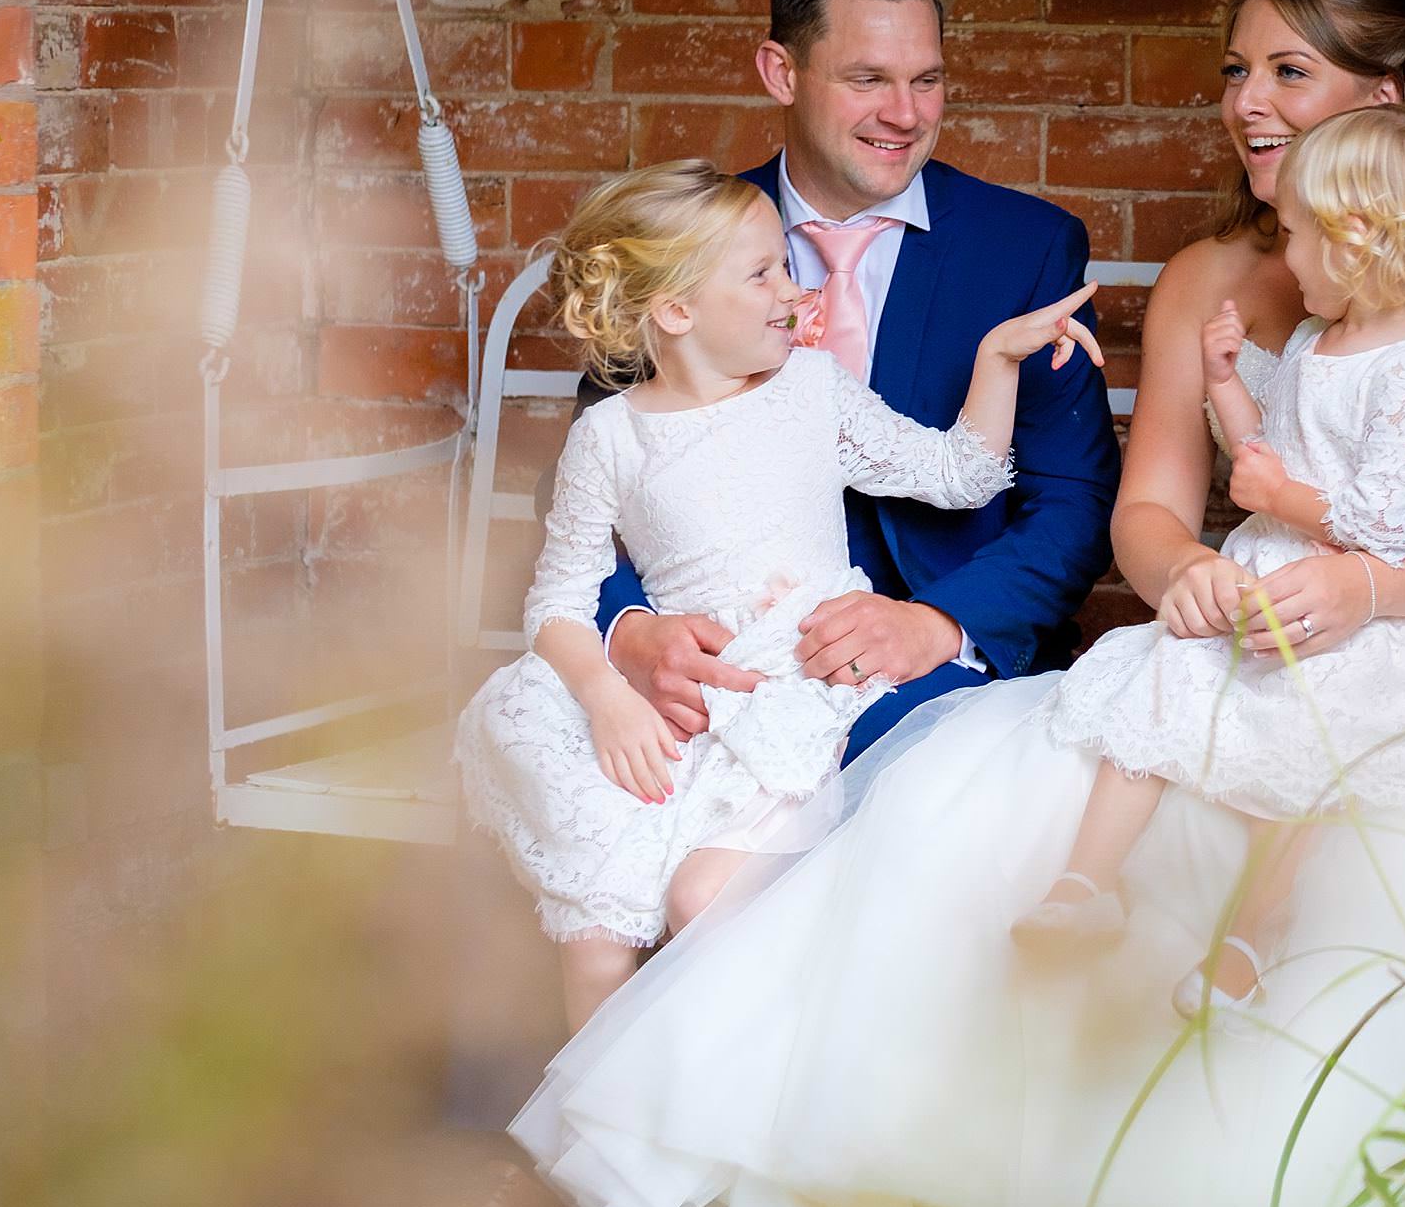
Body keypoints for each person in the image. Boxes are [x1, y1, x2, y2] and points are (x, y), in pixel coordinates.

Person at [503, 0, 1405, 1207]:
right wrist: (1193, 571)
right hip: (1172, 617)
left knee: (1353, 845)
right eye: (1237, 69)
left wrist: (1352, 590)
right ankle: (841, 1161)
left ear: (1379, 96)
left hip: (1403, 617)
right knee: (978, 819)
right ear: (780, 73)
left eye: (1287, 71)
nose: (1245, 102)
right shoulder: (1198, 270)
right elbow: (1145, 513)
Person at [456, 161, 1103, 1033]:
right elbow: (558, 603)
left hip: (795, 687)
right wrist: (607, 696)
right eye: (762, 273)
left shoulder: (810, 390)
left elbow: (961, 473)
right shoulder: (611, 436)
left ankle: (750, 1106)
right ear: (676, 312)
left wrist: (996, 359)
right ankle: (601, 1144)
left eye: (784, 267)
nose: (793, 291)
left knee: (702, 896)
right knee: (599, 930)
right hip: (679, 707)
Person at [1011, 104, 1405, 1019]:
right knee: (1154, 685)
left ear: (1356, 241)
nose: (1288, 256)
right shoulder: (1322, 338)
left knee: (1324, 742)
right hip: (1276, 571)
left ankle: (1251, 934)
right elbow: (1263, 453)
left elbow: (1381, 519)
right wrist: (1229, 381)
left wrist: (1279, 500)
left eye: (1299, 237)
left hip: (1359, 594)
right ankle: (1086, 884)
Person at [580, 0, 1120, 768]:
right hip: (722, 672)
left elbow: (1074, 501)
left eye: (926, 80)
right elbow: (596, 479)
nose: (905, 113)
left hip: (937, 674)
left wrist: (938, 625)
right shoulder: (686, 242)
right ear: (781, 73)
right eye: (868, 79)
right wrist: (633, 633)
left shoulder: (1027, 248)